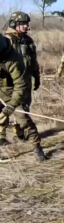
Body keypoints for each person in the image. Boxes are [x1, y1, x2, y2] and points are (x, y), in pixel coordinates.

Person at [0, 13, 46, 161]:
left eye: (27, 23)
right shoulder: (6, 41)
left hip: (21, 83)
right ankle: (1, 137)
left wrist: (36, 77)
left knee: (23, 115)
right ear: (14, 24)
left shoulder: (26, 42)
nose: (27, 26)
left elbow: (33, 61)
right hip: (5, 86)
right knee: (2, 114)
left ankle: (32, 143)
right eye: (23, 23)